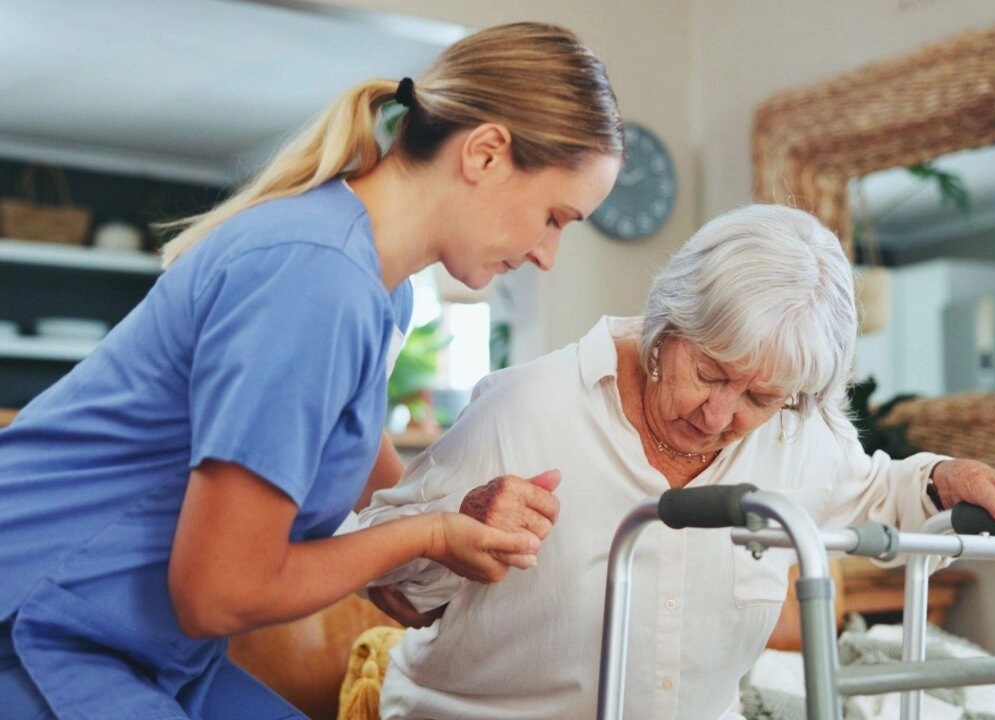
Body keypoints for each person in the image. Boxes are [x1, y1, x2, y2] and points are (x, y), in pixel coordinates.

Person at [0, 22, 622, 719]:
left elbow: (382, 516)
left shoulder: (380, 292)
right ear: (484, 153)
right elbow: (219, 594)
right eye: (554, 217)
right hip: (36, 630)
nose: (548, 254)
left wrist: (445, 531)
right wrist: (430, 535)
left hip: (138, 646)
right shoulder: (314, 279)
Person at [353, 204, 995, 720]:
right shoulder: (526, 407)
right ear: (669, 328)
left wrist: (942, 478)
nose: (721, 416)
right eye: (711, 373)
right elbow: (393, 587)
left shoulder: (794, 434)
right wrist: (461, 524)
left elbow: (880, 491)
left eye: (760, 395)